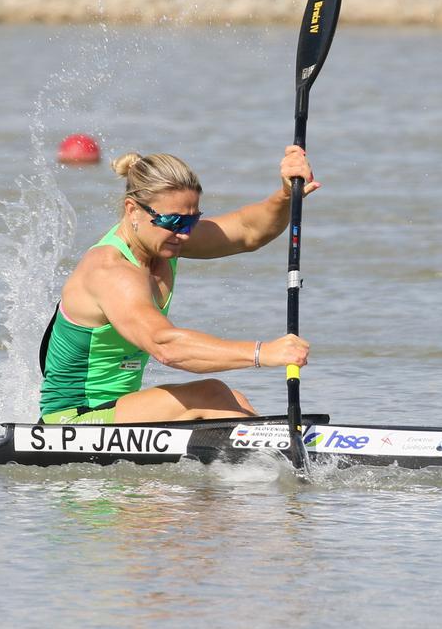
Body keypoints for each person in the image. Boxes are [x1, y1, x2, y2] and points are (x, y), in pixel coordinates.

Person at [39, 146, 318, 424]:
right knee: (212, 394)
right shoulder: (111, 271)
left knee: (233, 401)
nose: (183, 234)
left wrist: (285, 195)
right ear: (132, 210)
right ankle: (277, 458)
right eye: (173, 221)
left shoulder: (162, 239)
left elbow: (248, 231)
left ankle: (272, 457)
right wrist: (263, 352)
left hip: (116, 409)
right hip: (72, 421)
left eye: (191, 221)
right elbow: (166, 347)